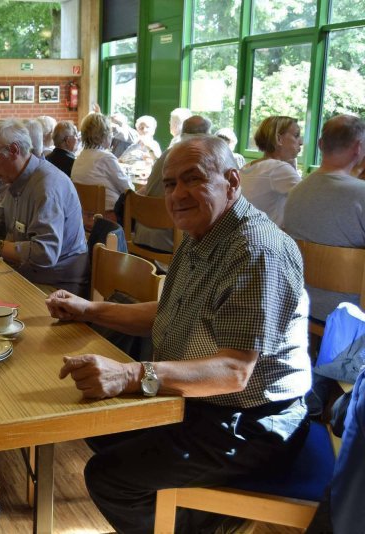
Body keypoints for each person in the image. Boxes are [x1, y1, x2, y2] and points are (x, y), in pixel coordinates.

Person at [46, 135, 312, 534]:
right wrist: (90, 309)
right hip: (204, 401)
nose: (177, 194)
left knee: (110, 476)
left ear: (232, 182)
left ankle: (207, 524)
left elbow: (234, 371)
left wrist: (130, 374)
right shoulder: (201, 232)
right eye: (170, 183)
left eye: (193, 179)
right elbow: (170, 312)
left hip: (254, 422)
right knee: (98, 429)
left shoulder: (257, 250)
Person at [0, 119, 89, 297]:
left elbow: (44, 254)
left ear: (14, 150)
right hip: (26, 273)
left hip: (56, 287)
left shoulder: (47, 187)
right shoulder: (16, 177)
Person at [283, 114, 365, 321]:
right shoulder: (361, 194)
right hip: (351, 312)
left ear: (320, 144)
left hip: (299, 302)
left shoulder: (296, 191)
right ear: (358, 148)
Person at [133, 115, 212, 253]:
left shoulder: (167, 154)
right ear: (207, 135)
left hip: (142, 234)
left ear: (182, 133)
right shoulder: (199, 157)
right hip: (171, 242)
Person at [240, 116, 303, 226]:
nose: (301, 142)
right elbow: (311, 201)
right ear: (279, 139)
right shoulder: (279, 168)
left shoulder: (248, 167)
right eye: (296, 135)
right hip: (268, 234)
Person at [71, 112, 134, 221]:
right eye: (110, 132)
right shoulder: (106, 157)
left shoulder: (79, 157)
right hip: (108, 218)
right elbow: (128, 189)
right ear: (103, 135)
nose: (112, 135)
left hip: (84, 216)